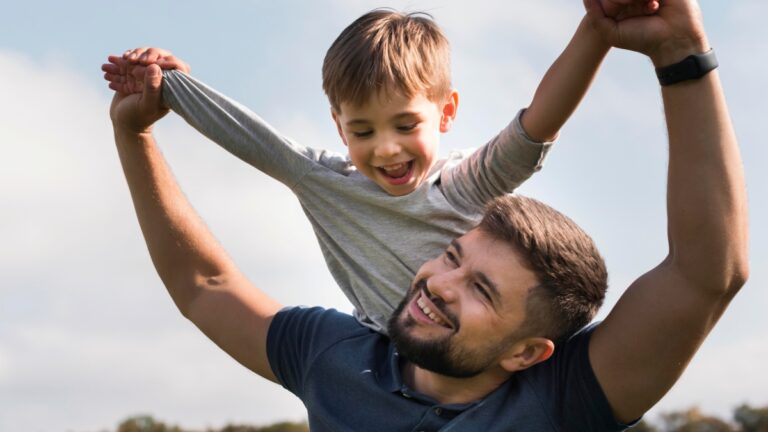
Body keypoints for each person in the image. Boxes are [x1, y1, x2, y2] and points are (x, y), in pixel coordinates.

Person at [107, 0, 748, 429]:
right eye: (451, 256)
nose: (439, 284)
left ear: (529, 351)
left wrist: (680, 52)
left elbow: (705, 275)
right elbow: (204, 285)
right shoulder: (334, 361)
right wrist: (135, 136)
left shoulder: (563, 399)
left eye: (482, 292)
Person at [102, 2, 659, 333]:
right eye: (363, 132)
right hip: (386, 361)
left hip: (485, 359)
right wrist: (168, 86)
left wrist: (597, 28)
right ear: (340, 128)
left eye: (405, 125)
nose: (387, 150)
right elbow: (250, 137)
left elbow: (537, 125)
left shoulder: (461, 186)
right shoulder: (325, 181)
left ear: (446, 113)